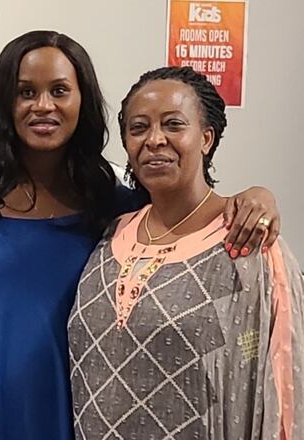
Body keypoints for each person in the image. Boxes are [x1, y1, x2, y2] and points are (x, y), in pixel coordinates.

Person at [0, 31, 280, 440]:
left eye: (59, 91)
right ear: (4, 102)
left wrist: (256, 197)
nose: (43, 106)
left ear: (81, 100)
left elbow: (180, 213)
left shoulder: (110, 205)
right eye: (26, 92)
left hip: (65, 412)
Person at [68, 66, 303, 439]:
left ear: (206, 138)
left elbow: (284, 384)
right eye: (139, 127)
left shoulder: (249, 244)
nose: (155, 140)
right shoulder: (110, 232)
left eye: (174, 125)